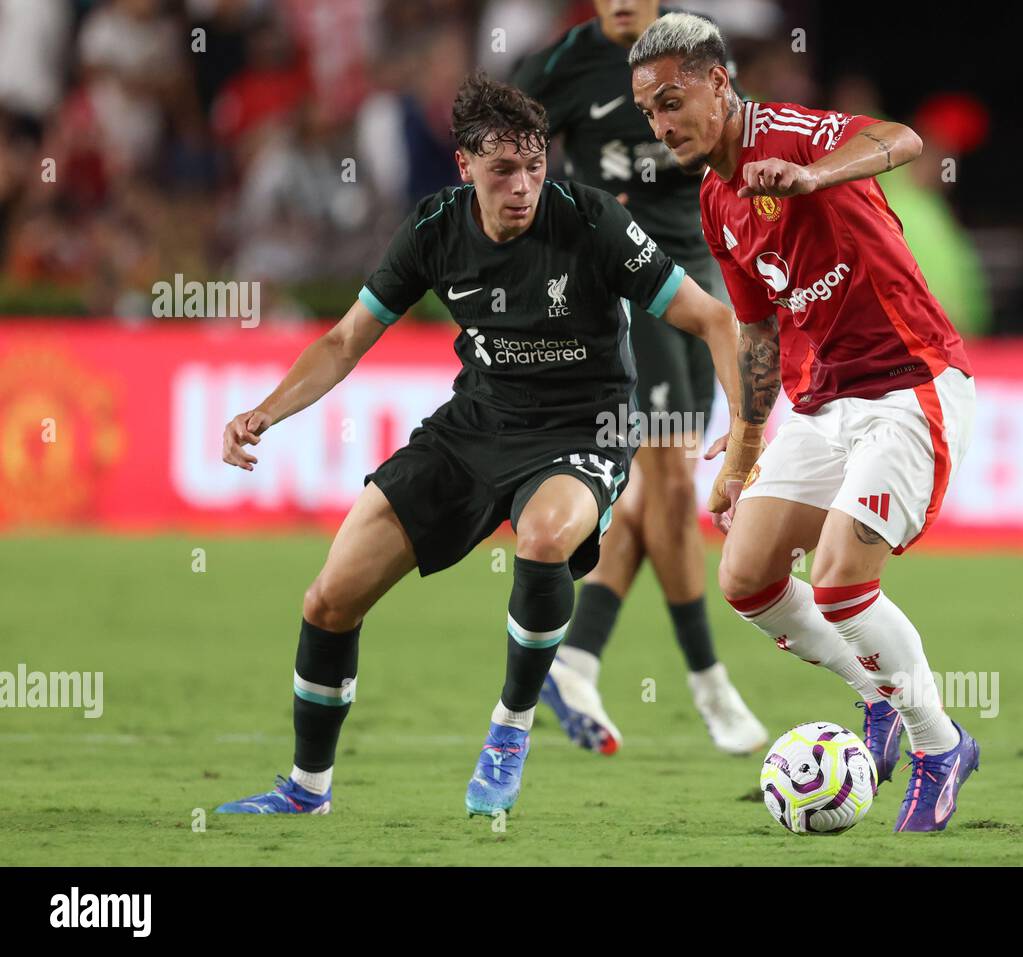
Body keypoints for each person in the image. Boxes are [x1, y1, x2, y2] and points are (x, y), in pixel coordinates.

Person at [213, 71, 742, 818]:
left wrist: (744, 432)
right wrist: (265, 412)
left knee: (544, 537)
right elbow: (343, 340)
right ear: (466, 167)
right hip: (475, 426)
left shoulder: (591, 222)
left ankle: (510, 728)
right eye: (503, 170)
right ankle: (307, 789)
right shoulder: (434, 229)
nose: (523, 185)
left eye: (534, 165)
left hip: (583, 427)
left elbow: (714, 318)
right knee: (329, 599)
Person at [628, 12, 981, 832]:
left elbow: (901, 140)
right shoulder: (718, 200)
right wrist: (741, 454)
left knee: (840, 580)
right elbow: (755, 331)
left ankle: (939, 743)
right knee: (746, 575)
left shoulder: (788, 130)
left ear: (720, 83)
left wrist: (819, 176)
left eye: (674, 100)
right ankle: (878, 693)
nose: (663, 123)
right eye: (650, 112)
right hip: (823, 402)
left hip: (908, 385)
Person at [512, 0, 765, 756]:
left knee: (654, 496)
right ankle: (709, 682)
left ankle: (579, 659)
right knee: (674, 492)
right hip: (631, 290)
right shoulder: (557, 69)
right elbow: (507, 168)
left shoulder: (698, 48)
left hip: (704, 281)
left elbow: (730, 147)